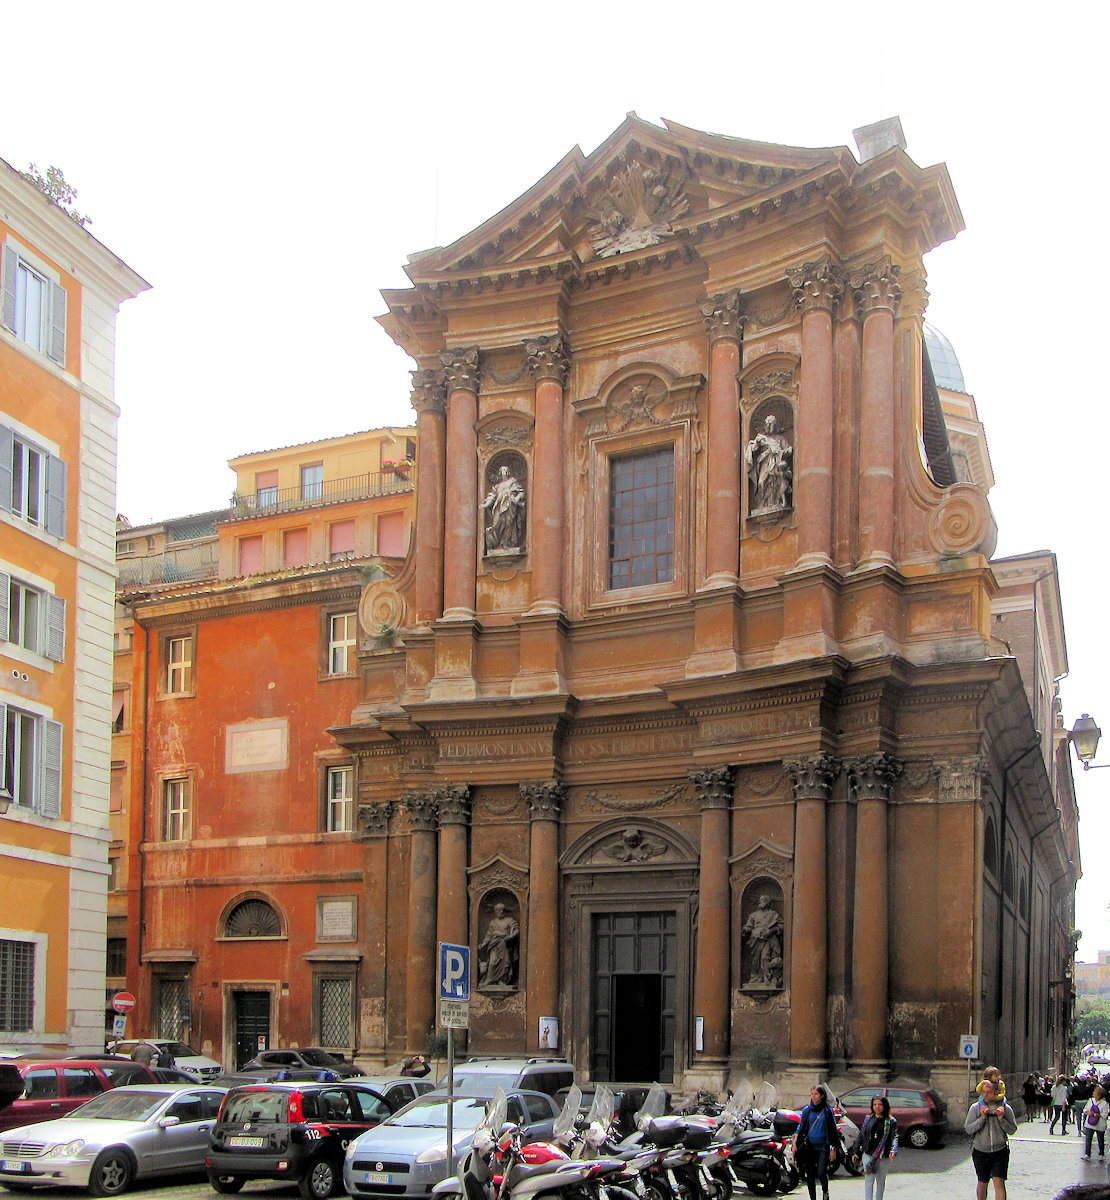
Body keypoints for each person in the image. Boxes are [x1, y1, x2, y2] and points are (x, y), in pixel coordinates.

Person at [965, 1077, 1017, 1200]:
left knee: (999, 1182)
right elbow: (968, 1128)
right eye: (983, 1092)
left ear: (996, 1093)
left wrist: (1001, 1120)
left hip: (1000, 1151)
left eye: (989, 1092)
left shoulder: (1006, 1109)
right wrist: (982, 1119)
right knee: (982, 1182)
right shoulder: (975, 1108)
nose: (985, 1095)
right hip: (980, 1151)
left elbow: (1012, 1130)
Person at [792, 1083, 841, 1200]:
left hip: (823, 1146)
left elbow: (832, 1130)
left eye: (816, 1094)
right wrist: (795, 1142)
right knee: (810, 1174)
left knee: (821, 1172)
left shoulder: (828, 1110)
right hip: (809, 1146)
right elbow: (801, 1127)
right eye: (812, 1094)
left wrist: (833, 1149)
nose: (813, 1097)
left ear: (822, 1096)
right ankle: (812, 1198)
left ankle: (825, 1192)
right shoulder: (807, 1110)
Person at [850, 1094, 898, 1200]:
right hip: (868, 1155)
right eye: (875, 1104)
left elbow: (894, 1136)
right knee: (869, 1180)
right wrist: (855, 1151)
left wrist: (893, 1150)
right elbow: (861, 1136)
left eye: (880, 1104)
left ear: (885, 1106)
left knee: (880, 1181)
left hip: (883, 1156)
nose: (877, 1107)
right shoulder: (868, 1119)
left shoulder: (891, 1121)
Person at [745, 413, 793, 513]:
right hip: (765, 462)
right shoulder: (761, 437)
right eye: (771, 424)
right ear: (767, 425)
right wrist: (757, 444)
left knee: (776, 483)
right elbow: (751, 448)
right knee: (761, 482)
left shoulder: (780, 439)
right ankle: (762, 504)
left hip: (776, 462)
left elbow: (788, 448)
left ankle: (776, 502)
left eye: (774, 425)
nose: (773, 427)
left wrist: (787, 450)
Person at [742, 894, 784, 988]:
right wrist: (745, 930)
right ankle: (755, 977)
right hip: (756, 938)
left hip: (769, 939)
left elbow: (781, 925)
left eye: (764, 900)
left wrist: (771, 931)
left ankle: (766, 978)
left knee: (765, 957)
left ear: (768, 903)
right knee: (755, 958)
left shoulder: (773, 914)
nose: (761, 901)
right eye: (760, 900)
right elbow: (749, 926)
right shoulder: (754, 915)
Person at [481, 465, 526, 553]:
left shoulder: (513, 481)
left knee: (509, 523)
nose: (504, 471)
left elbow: (521, 492)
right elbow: (492, 496)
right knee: (496, 524)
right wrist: (486, 504)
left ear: (508, 472)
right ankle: (498, 543)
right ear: (500, 472)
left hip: (510, 506)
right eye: (502, 470)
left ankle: (508, 543)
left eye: (506, 470)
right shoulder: (498, 486)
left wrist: (517, 499)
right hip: (499, 506)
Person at [477, 902, 519, 987]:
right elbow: (488, 936)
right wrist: (483, 944)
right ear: (495, 911)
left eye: (502, 909)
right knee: (492, 962)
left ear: (504, 910)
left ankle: (503, 980)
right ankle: (489, 980)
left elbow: (516, 930)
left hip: (505, 945)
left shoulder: (509, 920)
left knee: (506, 963)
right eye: (498, 910)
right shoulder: (493, 923)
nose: (500, 911)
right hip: (494, 946)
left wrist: (511, 936)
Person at [1082, 1084, 1108, 1160]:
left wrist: (1095, 1114)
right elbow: (1085, 1110)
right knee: (1088, 1139)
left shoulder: (1105, 1103)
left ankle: (1101, 1154)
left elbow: (1105, 1115)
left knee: (1100, 1139)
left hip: (1100, 1125)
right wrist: (1087, 1112)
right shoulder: (1090, 1101)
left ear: (1099, 1094)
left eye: (1095, 1092)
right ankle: (1087, 1154)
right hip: (1089, 1124)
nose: (1093, 1093)